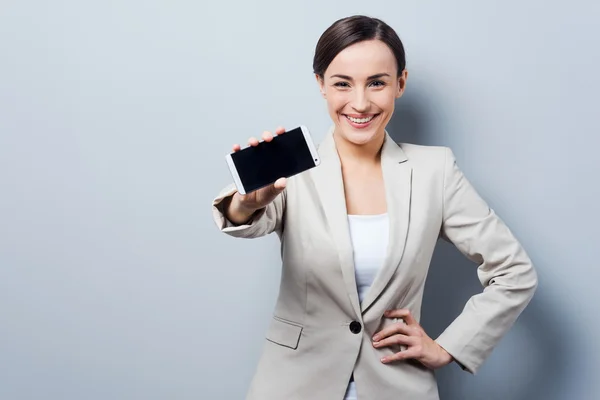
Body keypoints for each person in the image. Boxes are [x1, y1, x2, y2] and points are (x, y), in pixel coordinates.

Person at [211, 15, 537, 400]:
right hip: (292, 386)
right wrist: (245, 203)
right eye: (342, 84)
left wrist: (449, 347)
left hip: (397, 386)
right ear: (321, 85)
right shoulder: (293, 168)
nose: (360, 103)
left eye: (377, 83)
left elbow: (514, 272)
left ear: (400, 83)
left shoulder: (435, 171)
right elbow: (243, 218)